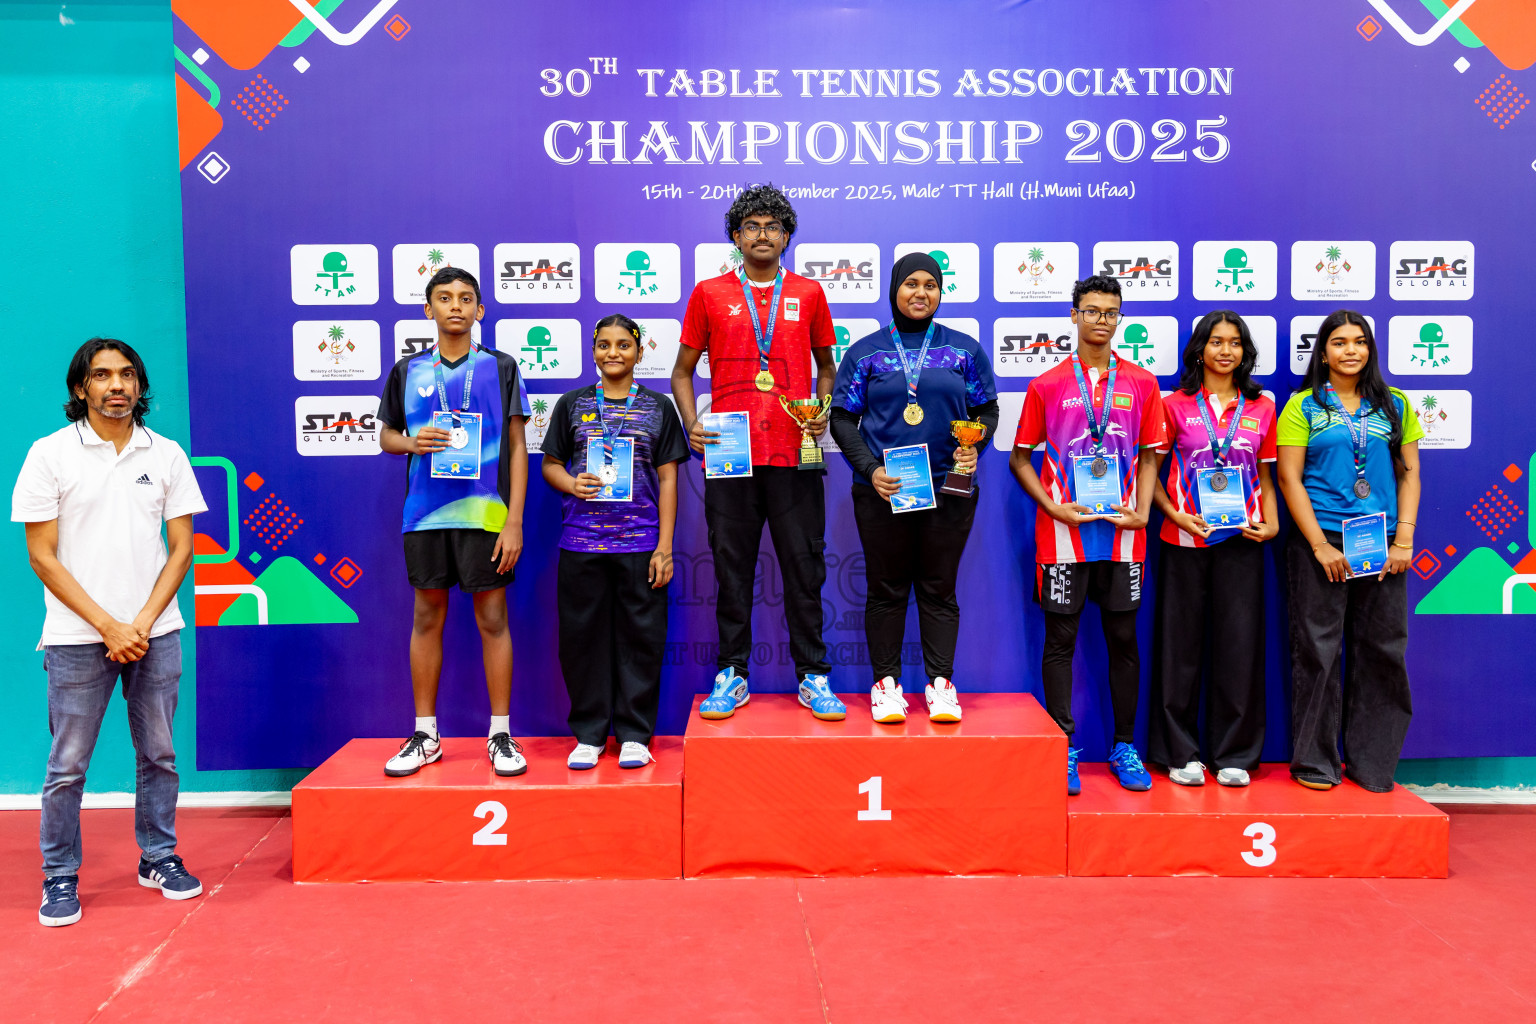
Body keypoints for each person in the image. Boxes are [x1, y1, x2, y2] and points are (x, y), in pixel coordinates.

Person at [13, 339, 208, 927]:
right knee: (67, 764)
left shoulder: (167, 453)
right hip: (77, 636)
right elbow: (42, 557)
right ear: (82, 389)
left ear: (137, 386)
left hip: (157, 632)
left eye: (126, 375)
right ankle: (60, 876)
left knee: (160, 754)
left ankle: (159, 857)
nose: (116, 385)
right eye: (102, 376)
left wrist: (142, 622)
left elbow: (182, 550)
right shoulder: (49, 455)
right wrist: (107, 625)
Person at [670, 183, 843, 721]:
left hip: (794, 450)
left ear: (786, 236)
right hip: (729, 453)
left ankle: (813, 677)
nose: (762, 234)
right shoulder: (709, 293)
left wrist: (823, 409)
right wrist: (692, 422)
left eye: (772, 226)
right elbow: (681, 372)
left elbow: (827, 366)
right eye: (751, 227)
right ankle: (733, 673)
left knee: (803, 567)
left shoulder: (811, 293)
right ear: (736, 237)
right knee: (732, 569)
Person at [1008, 276, 1168, 794]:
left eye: (1110, 312)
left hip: (1123, 537)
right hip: (1063, 537)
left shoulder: (1143, 384)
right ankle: (1063, 747)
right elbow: (1019, 458)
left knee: (1123, 640)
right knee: (1061, 640)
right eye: (1092, 310)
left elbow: (1150, 455)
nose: (1101, 320)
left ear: (1119, 319)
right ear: (1073, 316)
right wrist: (1053, 506)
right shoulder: (1047, 384)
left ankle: (1125, 747)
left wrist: (1144, 510)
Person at [830, 253, 998, 724]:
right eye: (911, 284)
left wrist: (974, 448)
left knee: (939, 588)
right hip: (886, 489)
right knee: (885, 588)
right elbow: (842, 417)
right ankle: (886, 685)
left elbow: (987, 410)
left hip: (948, 489)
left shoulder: (964, 350)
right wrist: (868, 469)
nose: (921, 293)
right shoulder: (865, 352)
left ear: (941, 292)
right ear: (894, 289)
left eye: (931, 284)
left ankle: (941, 685)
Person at [377, 267, 531, 778]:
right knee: (426, 618)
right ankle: (426, 734)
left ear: (480, 310)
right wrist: (410, 442)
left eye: (466, 298)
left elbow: (516, 447)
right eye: (444, 298)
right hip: (424, 516)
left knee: (492, 619)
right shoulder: (407, 370)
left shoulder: (501, 367)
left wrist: (514, 523)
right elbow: (386, 436)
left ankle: (501, 733)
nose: (456, 307)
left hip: (487, 515)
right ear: (429, 310)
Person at [1277, 310, 1422, 792]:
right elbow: (1288, 479)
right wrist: (1318, 545)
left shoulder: (1395, 404)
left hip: (1381, 545)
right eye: (1339, 343)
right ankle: (1315, 763)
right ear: (1324, 352)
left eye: (1360, 342)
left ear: (1370, 350)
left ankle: (1373, 764)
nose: (1351, 351)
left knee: (1383, 650)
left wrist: (1403, 540)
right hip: (1320, 545)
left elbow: (1409, 474)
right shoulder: (1303, 407)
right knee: (1318, 653)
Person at [541, 314, 690, 769]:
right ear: (593, 351)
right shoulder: (572, 404)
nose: (613, 353)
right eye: (604, 345)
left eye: (624, 345)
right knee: (581, 642)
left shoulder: (659, 408)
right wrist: (571, 484)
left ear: (639, 353)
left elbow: (668, 479)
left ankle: (633, 735)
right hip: (582, 544)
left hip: (640, 545)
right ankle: (588, 734)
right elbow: (550, 464)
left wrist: (664, 546)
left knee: (640, 641)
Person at [1149, 312, 1279, 787]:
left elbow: (1266, 472)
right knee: (1179, 650)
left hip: (1242, 539)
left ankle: (1236, 756)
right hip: (1184, 538)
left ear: (1245, 352)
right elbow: (1152, 472)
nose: (1226, 351)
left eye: (1235, 343)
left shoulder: (1262, 405)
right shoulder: (1174, 405)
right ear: (1199, 348)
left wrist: (1274, 522)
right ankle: (1180, 753)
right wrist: (1173, 513)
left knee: (1239, 648)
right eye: (1216, 341)